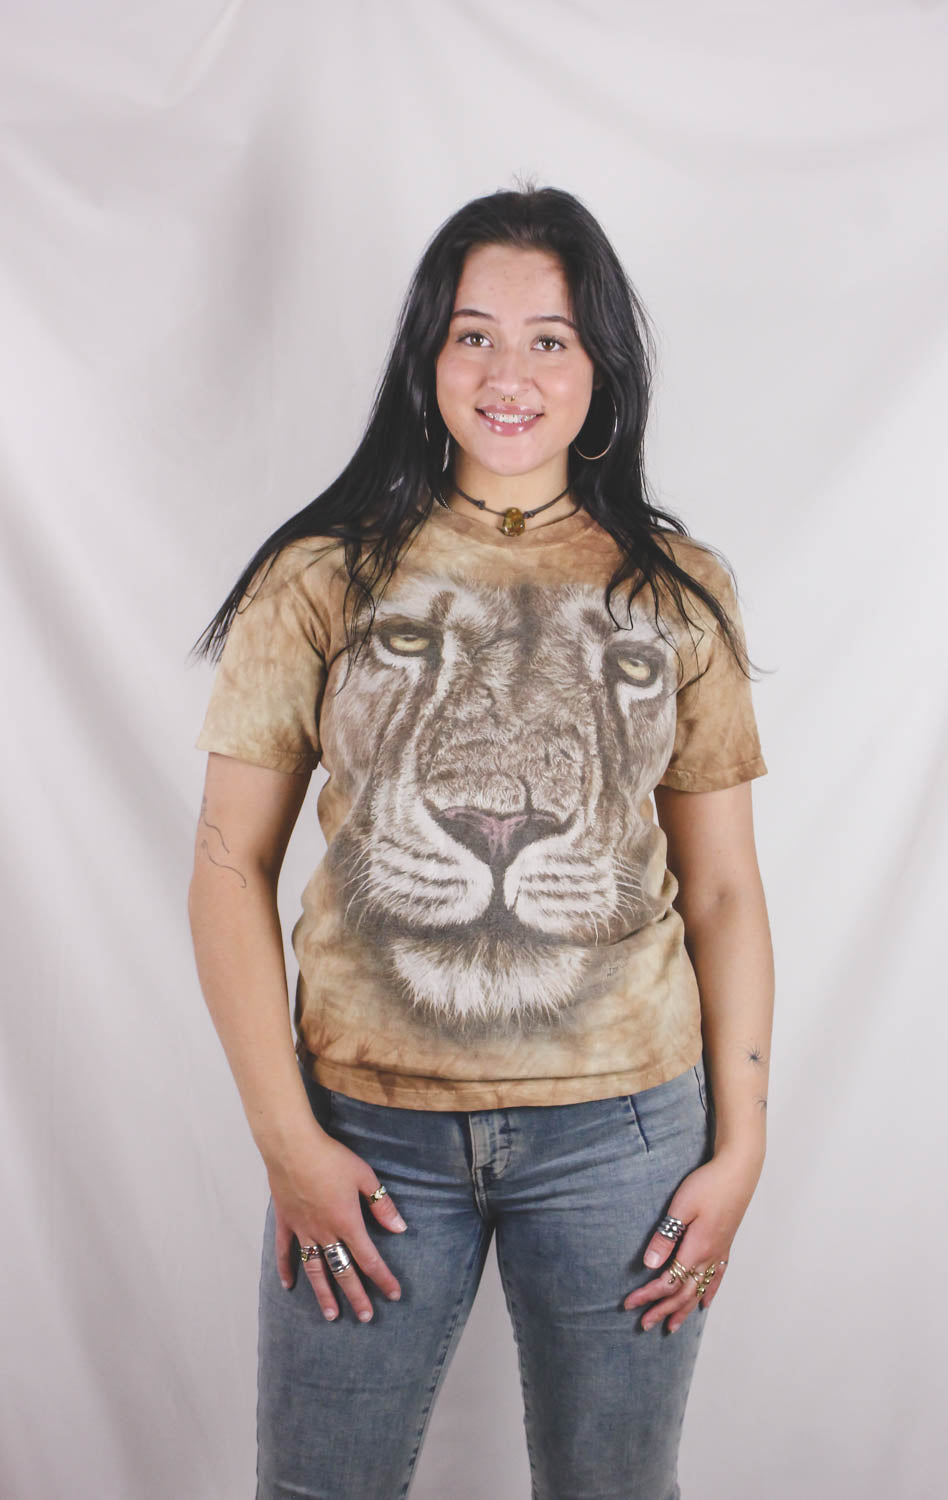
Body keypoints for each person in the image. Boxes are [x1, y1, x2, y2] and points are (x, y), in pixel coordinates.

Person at [188, 184, 774, 1500]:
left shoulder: (681, 589)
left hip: (626, 1131)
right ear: (429, 357)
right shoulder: (320, 574)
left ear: (600, 365)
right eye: (475, 335)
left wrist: (741, 1147)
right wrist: (287, 1140)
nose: (510, 374)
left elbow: (727, 892)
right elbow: (228, 867)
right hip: (367, 1131)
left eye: (549, 339)